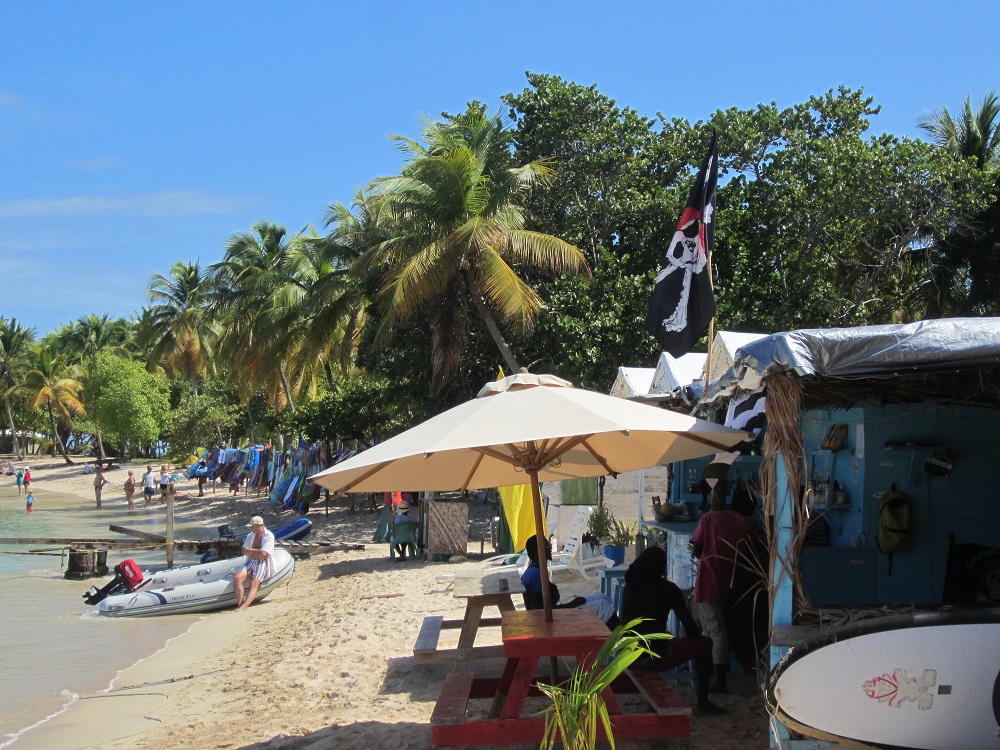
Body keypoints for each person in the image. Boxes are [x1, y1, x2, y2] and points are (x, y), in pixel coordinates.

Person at [620, 546, 724, 716]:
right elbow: (690, 629)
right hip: (650, 658)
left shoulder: (629, 586)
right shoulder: (668, 588)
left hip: (626, 655)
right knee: (705, 644)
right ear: (661, 567)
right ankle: (703, 701)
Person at [689, 471, 761, 694]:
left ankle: (719, 680)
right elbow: (757, 551)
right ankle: (710, 674)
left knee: (716, 631)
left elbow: (696, 549)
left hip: (709, 582)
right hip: (734, 586)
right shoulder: (750, 525)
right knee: (712, 629)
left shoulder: (710, 518)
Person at [521, 535, 619, 627]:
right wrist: (571, 605)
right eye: (547, 545)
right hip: (549, 622)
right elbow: (541, 611)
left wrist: (573, 603)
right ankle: (621, 635)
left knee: (603, 598)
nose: (550, 547)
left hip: (554, 614)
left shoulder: (534, 570)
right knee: (603, 606)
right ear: (538, 551)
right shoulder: (535, 575)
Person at [234, 516, 275, 611]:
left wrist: (254, 553)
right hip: (251, 560)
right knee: (237, 578)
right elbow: (244, 551)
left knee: (253, 584)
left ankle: (243, 607)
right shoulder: (250, 536)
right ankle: (239, 604)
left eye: (252, 526)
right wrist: (258, 551)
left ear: (259, 525)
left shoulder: (268, 536)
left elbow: (264, 554)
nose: (250, 528)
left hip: (263, 562)